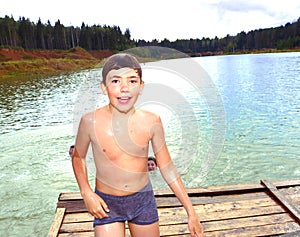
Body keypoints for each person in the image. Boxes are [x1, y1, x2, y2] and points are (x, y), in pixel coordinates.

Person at [71, 53, 204, 237]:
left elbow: (167, 167)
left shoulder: (152, 121)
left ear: (141, 87)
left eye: (132, 81)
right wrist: (86, 192)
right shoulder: (89, 122)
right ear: (103, 87)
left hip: (142, 200)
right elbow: (78, 157)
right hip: (106, 203)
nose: (124, 88)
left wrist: (190, 211)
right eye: (116, 81)